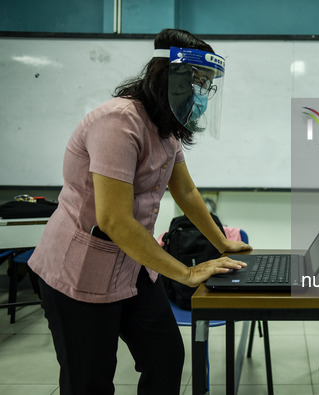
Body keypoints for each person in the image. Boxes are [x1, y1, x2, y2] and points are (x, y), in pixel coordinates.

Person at [28, 29, 251, 395]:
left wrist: (223, 245)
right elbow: (113, 220)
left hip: (131, 268)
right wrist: (187, 273)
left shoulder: (166, 128)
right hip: (79, 273)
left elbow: (187, 191)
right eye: (198, 82)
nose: (201, 94)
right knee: (89, 382)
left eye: (207, 85)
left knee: (165, 359)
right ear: (170, 76)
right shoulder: (118, 122)